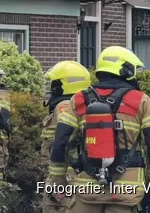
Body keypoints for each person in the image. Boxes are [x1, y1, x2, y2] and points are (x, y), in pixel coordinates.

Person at [48, 46, 150, 213]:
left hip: (88, 189)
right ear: (127, 69)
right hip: (126, 190)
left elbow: (60, 143)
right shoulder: (141, 100)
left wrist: (57, 182)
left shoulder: (79, 99)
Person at [40, 60, 92, 213]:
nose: (51, 87)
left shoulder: (64, 106)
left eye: (54, 82)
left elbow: (65, 139)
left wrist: (59, 181)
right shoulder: (79, 104)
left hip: (65, 174)